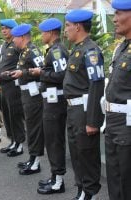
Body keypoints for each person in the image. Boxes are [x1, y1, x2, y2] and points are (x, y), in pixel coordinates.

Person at [63, 10, 105, 200]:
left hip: (84, 109)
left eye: (67, 26)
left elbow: (96, 86)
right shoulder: (78, 48)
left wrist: (93, 121)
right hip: (73, 108)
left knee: (87, 153)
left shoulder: (91, 50)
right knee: (76, 152)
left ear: (77, 26)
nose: (66, 30)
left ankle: (91, 193)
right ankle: (81, 188)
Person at [31, 18, 68, 195]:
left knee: (54, 142)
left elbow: (62, 75)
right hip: (51, 101)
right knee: (51, 141)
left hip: (56, 103)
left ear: (52, 33)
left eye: (43, 32)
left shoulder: (57, 51)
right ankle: (54, 177)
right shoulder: (53, 50)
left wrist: (41, 72)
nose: (41, 35)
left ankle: (58, 182)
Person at [10, 24, 44, 175]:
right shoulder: (24, 51)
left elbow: (42, 71)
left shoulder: (33, 50)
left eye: (14, 38)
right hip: (26, 94)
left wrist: (23, 72)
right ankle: (32, 158)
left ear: (22, 37)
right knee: (30, 127)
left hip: (34, 95)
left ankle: (36, 162)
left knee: (34, 128)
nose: (13, 41)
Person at [105, 1, 131, 200]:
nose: (114, 19)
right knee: (114, 176)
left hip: (127, 125)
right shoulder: (121, 47)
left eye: (119, 14)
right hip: (113, 121)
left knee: (127, 179)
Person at [0, 19, 26, 157]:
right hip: (4, 85)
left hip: (14, 85)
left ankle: (19, 144)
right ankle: (12, 141)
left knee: (15, 115)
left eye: (7, 28)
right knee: (7, 115)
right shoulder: (3, 46)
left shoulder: (17, 45)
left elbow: (23, 64)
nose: (4, 31)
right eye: (2, 28)